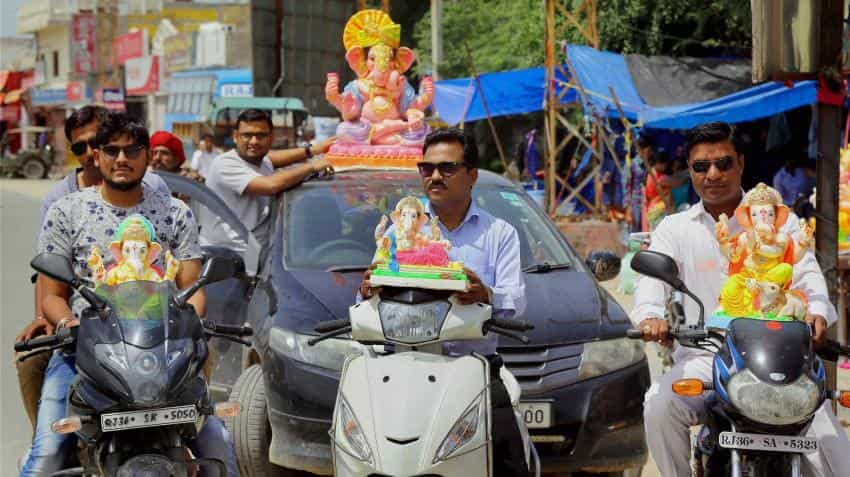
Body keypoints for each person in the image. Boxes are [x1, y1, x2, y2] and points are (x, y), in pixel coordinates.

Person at [20, 112, 237, 477]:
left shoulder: (174, 212)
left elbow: (192, 288)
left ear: (147, 156)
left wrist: (194, 322)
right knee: (47, 456)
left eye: (132, 150)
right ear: (97, 155)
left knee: (219, 448)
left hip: (167, 357)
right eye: (111, 150)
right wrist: (70, 324)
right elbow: (52, 296)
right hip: (85, 353)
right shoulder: (66, 211)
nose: (121, 158)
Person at [632, 121, 850, 477]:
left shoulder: (780, 222)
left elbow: (808, 274)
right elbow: (651, 283)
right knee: (659, 405)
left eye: (724, 163)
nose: (713, 174)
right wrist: (650, 317)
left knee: (832, 442)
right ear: (690, 170)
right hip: (705, 357)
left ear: (741, 164)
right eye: (701, 166)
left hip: (783, 362)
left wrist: (817, 312)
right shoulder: (675, 228)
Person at [359, 127, 528, 476]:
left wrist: (486, 294)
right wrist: (367, 288)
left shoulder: (499, 234)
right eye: (427, 168)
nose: (435, 176)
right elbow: (368, 297)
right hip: (402, 367)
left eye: (447, 168)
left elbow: (517, 303)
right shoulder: (399, 230)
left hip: (473, 370)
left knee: (509, 461)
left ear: (472, 176)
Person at [17, 106, 170, 430]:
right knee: (33, 360)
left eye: (128, 149)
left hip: (148, 328)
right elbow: (49, 273)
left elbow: (177, 260)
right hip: (85, 329)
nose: (91, 153)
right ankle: (48, 439)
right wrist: (49, 319)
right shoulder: (60, 203)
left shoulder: (157, 193)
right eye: (82, 148)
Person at [200, 109, 333, 252]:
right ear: (235, 136)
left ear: (271, 138)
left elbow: (274, 158)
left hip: (258, 254)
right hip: (226, 257)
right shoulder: (225, 164)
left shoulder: (262, 162)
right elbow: (271, 185)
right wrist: (313, 166)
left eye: (261, 136)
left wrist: (312, 150)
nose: (254, 141)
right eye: (247, 135)